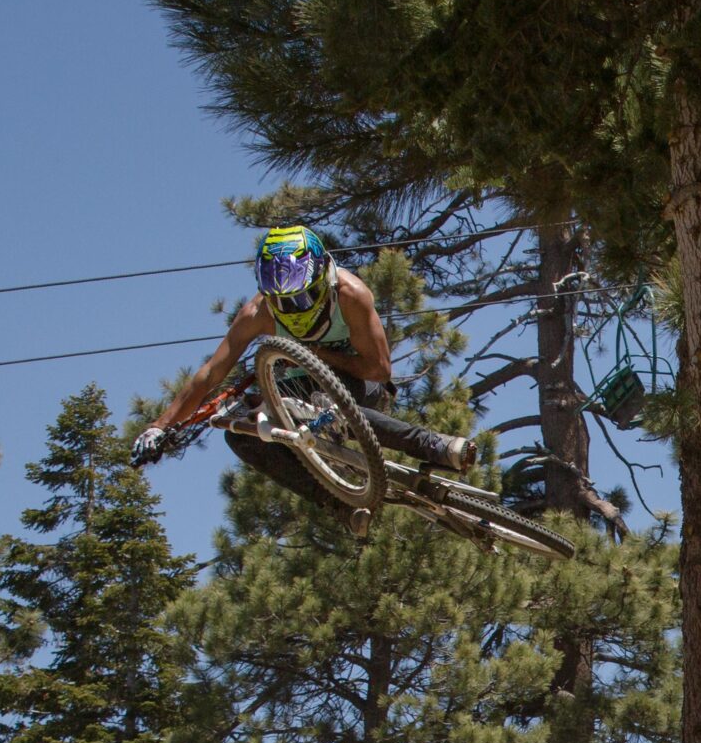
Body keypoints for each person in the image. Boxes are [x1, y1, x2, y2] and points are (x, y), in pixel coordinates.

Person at [132, 226, 476, 534]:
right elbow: (211, 373)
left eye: (301, 297)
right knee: (242, 435)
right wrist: (160, 426)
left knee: (319, 400)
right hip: (296, 395)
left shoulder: (350, 295)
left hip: (362, 387)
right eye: (282, 301)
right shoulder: (258, 313)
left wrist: (316, 354)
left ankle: (434, 445)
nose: (293, 308)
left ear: (322, 279)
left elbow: (379, 369)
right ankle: (341, 505)